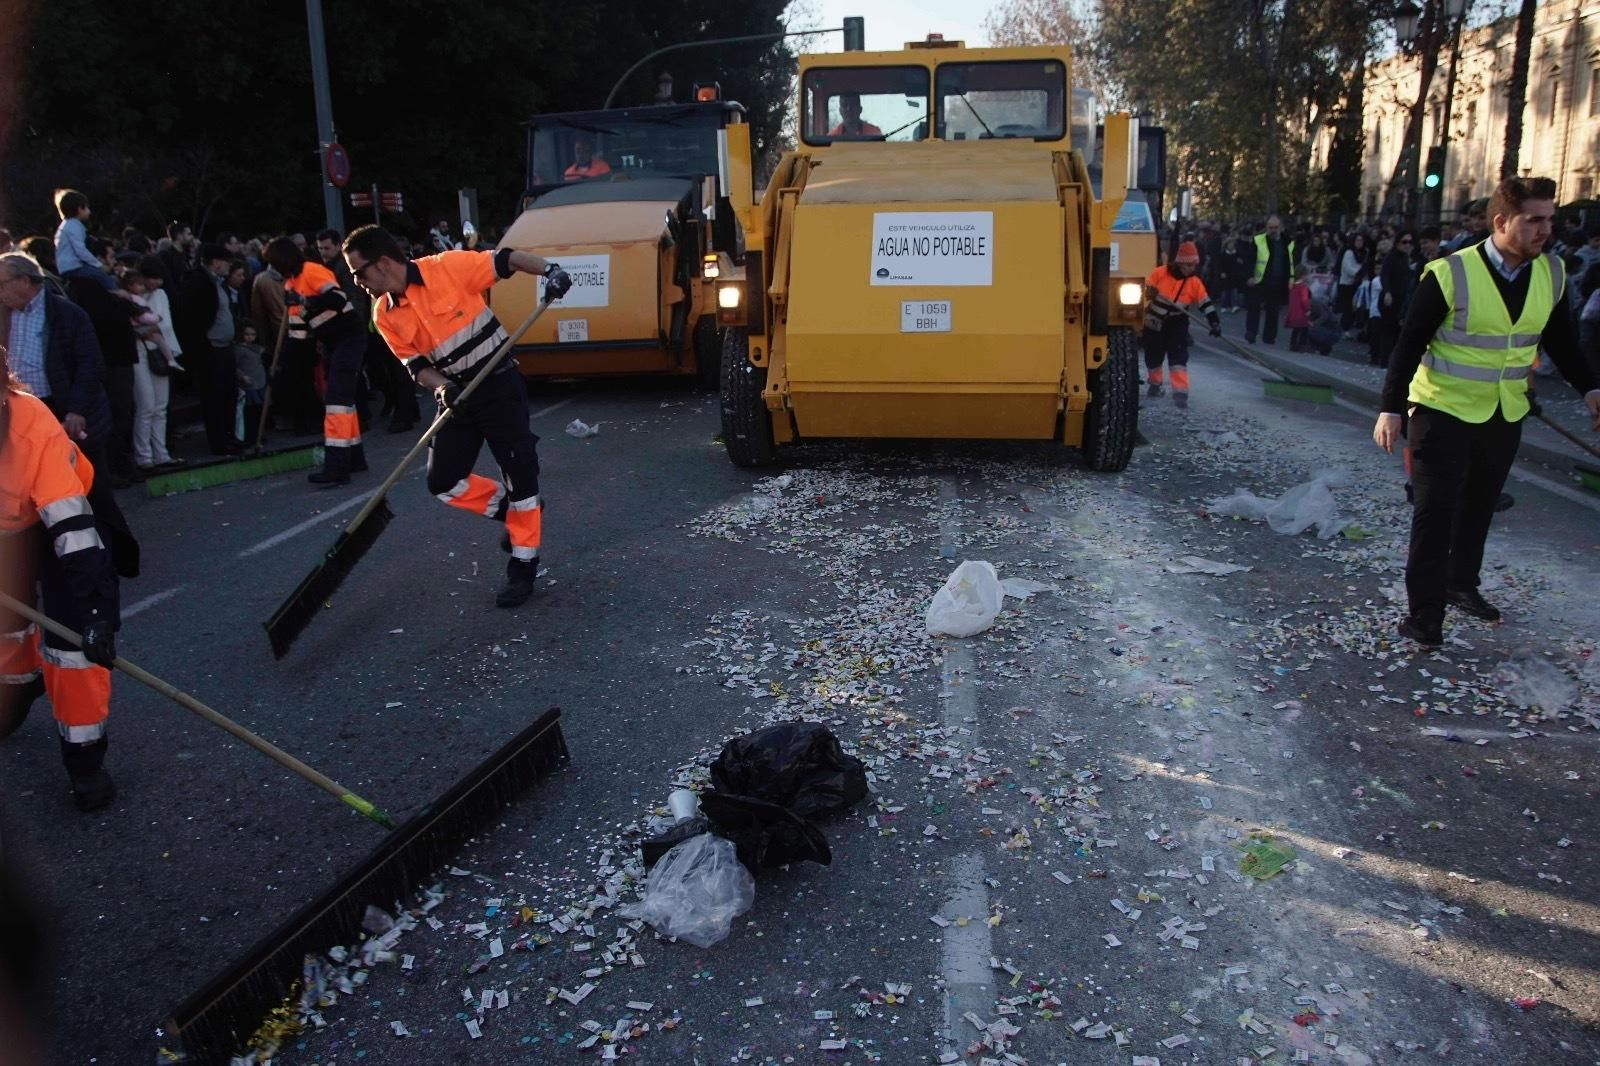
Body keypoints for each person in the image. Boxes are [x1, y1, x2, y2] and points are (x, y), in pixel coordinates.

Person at [1373, 177, 1600, 647]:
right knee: (1434, 514)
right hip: (1440, 410)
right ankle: (1425, 616)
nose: (1546, 230)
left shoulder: (1551, 273)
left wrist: (1591, 388)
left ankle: (1461, 585)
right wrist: (1390, 409)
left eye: (1550, 220)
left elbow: (1561, 341)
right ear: (1502, 222)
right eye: (1534, 220)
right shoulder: (1450, 273)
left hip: (1504, 412)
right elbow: (1409, 344)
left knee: (1478, 507)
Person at [342, 225, 571, 607]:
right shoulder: (383, 314)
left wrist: (550, 271)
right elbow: (415, 366)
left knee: (521, 475)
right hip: (457, 396)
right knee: (444, 481)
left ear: (382, 263)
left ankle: (523, 568)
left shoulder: (446, 267)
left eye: (358, 272)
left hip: (498, 383)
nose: (356, 281)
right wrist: (441, 388)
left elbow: (506, 259)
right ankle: (513, 514)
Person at [0, 343, 121, 810]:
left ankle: (85, 760)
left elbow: (73, 532)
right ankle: (17, 685)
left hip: (63, 519)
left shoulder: (31, 427)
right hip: (8, 529)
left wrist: (96, 611)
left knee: (74, 645)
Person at [266, 237, 368, 485]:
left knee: (336, 402)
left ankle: (337, 466)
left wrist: (305, 302)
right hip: (333, 343)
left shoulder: (312, 272)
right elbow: (298, 335)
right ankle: (354, 458)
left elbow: (337, 299)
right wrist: (280, 366)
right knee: (343, 402)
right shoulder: (291, 286)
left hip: (349, 336)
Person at [318, 228, 417, 433]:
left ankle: (404, 412)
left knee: (400, 371)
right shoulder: (339, 267)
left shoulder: (350, 268)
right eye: (320, 248)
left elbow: (357, 301)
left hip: (383, 327)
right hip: (376, 327)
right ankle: (403, 408)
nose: (323, 252)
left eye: (327, 248)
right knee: (389, 372)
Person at [178, 243, 241, 456]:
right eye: (226, 262)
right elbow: (193, 318)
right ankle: (220, 441)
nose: (228, 267)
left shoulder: (217, 283)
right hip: (211, 350)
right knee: (215, 397)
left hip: (223, 347)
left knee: (228, 395)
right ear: (215, 262)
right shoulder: (198, 282)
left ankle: (230, 436)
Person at [1141, 242, 1220, 410]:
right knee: (1153, 356)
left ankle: (1180, 393)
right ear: (1180, 262)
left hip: (1177, 322)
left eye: (1194, 265)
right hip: (1155, 322)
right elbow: (1145, 287)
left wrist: (1214, 322)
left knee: (1178, 357)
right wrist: (1149, 291)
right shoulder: (1160, 273)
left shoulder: (1194, 283)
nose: (1192, 268)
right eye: (1189, 265)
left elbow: (1205, 303)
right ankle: (1155, 384)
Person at [129, 256, 181, 471]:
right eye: (152, 279)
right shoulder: (130, 297)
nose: (155, 283)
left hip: (159, 349)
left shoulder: (160, 294)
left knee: (160, 406)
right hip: (141, 351)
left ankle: (161, 454)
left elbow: (165, 323)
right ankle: (144, 456)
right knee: (146, 405)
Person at [1244, 216, 1294, 345]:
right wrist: (1249, 276)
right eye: (1270, 228)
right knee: (1254, 307)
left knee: (1273, 311)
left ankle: (1269, 336)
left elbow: (1291, 262)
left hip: (1278, 282)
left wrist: (1292, 280)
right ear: (1266, 228)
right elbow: (1250, 259)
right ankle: (1251, 332)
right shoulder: (1259, 240)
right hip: (1260, 280)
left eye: (1276, 228)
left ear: (1281, 228)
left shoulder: (1287, 242)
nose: (1273, 230)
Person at [51, 189, 113, 292]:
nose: (89, 211)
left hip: (66, 267)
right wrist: (99, 265)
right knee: (104, 278)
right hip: (73, 266)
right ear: (80, 208)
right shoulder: (74, 226)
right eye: (87, 208)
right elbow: (80, 250)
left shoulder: (66, 226)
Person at [1373, 232, 1417, 369]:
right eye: (1404, 242)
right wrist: (1387, 292)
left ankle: (1390, 361)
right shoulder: (1391, 258)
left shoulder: (1405, 258)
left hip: (1401, 299)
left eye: (1409, 242)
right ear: (1397, 242)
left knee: (1396, 331)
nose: (1407, 245)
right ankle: (1384, 360)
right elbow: (1385, 275)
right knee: (1388, 331)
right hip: (1391, 298)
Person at [1286, 266, 1312, 352]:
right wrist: (1308, 309)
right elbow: (1304, 299)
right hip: (1301, 312)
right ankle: (1302, 345)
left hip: (1293, 311)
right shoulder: (1303, 287)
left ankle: (1293, 344)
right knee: (1304, 329)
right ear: (1303, 276)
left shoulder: (1292, 286)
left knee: (1296, 329)